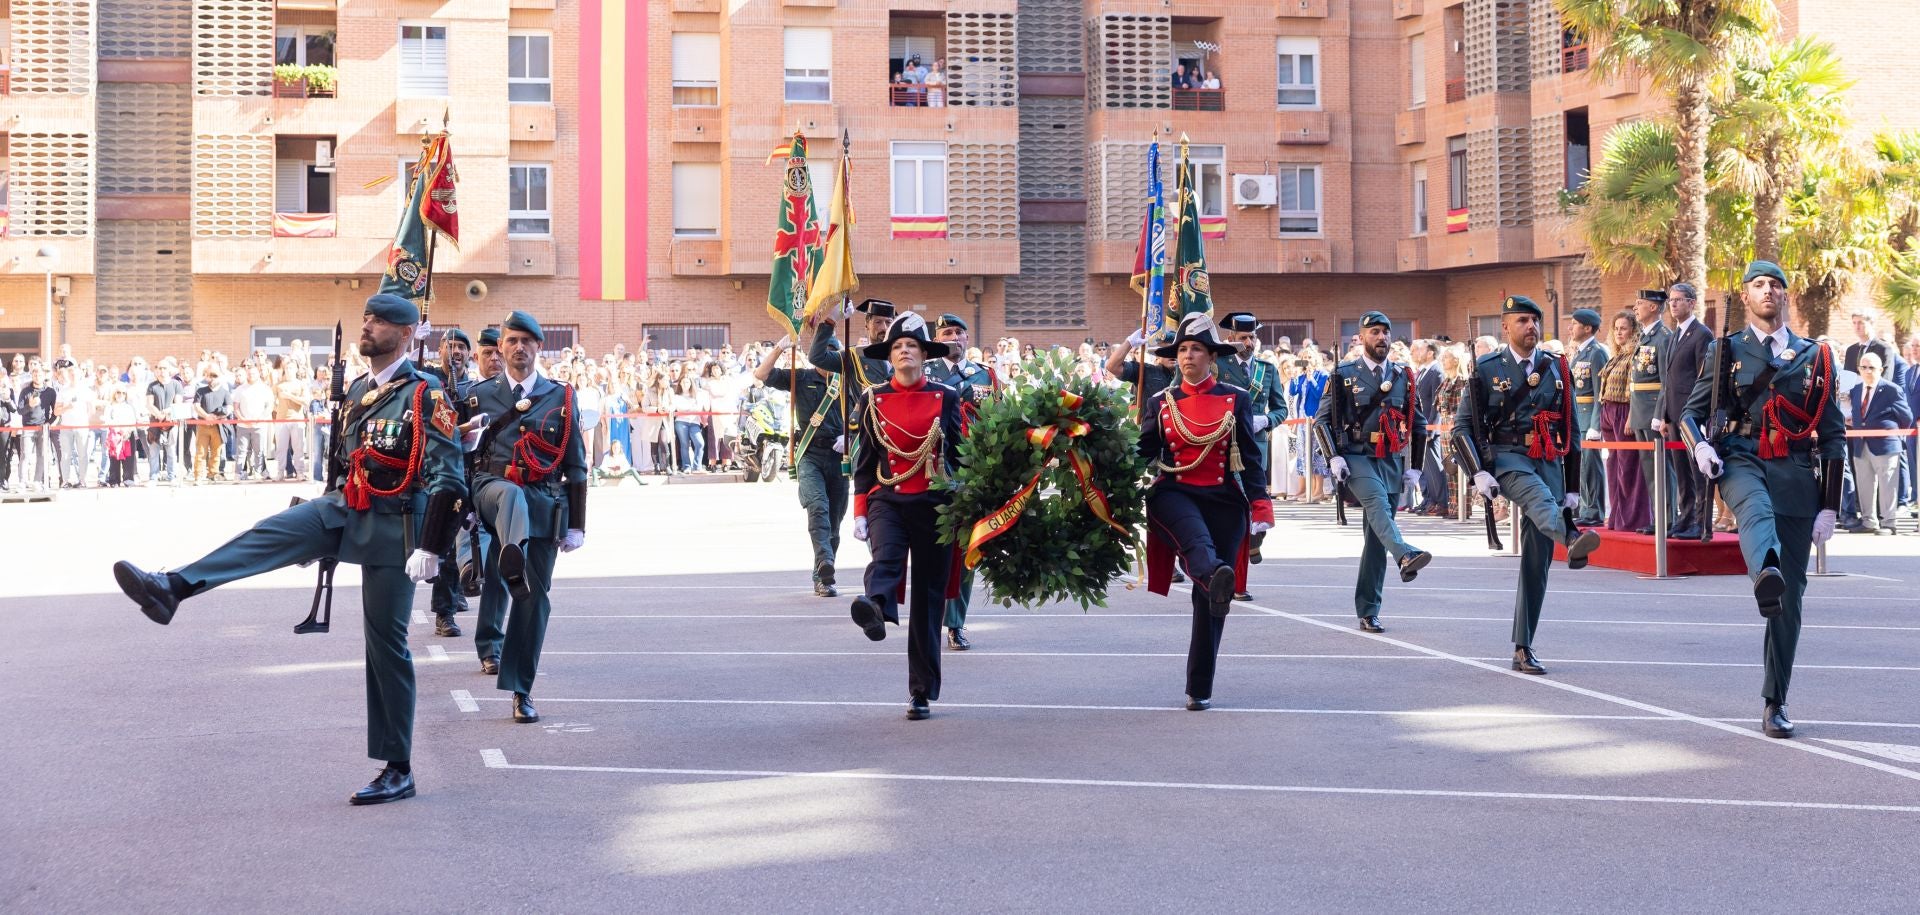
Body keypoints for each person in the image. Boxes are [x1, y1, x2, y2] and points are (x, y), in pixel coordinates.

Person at [111, 292, 467, 805]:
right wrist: (318, 532)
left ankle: (398, 767)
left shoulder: (424, 396)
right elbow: (344, 468)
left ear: (407, 334)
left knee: (385, 645)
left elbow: (449, 478)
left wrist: (432, 546)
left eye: (381, 321)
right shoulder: (360, 392)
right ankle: (173, 587)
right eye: (366, 317)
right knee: (271, 530)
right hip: (345, 509)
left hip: (397, 529)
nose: (368, 326)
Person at [1683, 260, 1845, 739]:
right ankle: (1764, 571)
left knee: (1790, 599)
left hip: (1796, 471)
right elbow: (1692, 414)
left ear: (1786, 296)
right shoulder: (1725, 349)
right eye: (1759, 285)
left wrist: (1830, 504)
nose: (1768, 291)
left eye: (1776, 284)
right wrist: (1703, 447)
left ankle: (1775, 700)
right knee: (1754, 513)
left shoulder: (1815, 356)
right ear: (1746, 295)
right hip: (1741, 457)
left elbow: (1833, 435)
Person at [1451, 295, 1602, 676]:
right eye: (1522, 320)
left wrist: (1571, 485)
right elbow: (1462, 429)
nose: (1530, 327)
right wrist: (1477, 472)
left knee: (1537, 560)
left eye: (1534, 320)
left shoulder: (1557, 367)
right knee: (1536, 500)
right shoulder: (1486, 368)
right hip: (1508, 458)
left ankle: (1523, 646)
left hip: (1548, 458)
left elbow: (1571, 427)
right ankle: (1572, 535)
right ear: (1505, 327)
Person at [1140, 314, 1272, 711]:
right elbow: (1142, 453)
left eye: (1196, 349)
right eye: (1182, 349)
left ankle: (1199, 688)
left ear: (1212, 356)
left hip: (1224, 498)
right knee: (1200, 549)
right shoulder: (1160, 402)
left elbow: (1249, 457)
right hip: (1175, 491)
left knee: (1211, 602)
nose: (1187, 356)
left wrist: (1261, 503)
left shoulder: (1237, 398)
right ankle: (1216, 573)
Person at [467, 311, 589, 723]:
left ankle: (521, 689)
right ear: (500, 348)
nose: (519, 347)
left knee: (534, 601)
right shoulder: (478, 396)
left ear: (539, 348)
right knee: (509, 500)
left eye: (527, 341)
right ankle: (496, 558)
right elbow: (457, 456)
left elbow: (576, 466)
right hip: (493, 493)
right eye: (512, 340)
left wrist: (576, 525)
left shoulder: (562, 397)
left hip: (544, 503)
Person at [846, 313, 963, 721]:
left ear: (924, 355)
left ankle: (921, 693)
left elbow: (960, 455)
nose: (905, 351)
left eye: (912, 345)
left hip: (934, 503)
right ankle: (875, 608)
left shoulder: (946, 396)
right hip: (888, 496)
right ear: (890, 357)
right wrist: (860, 509)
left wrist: (969, 499)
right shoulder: (872, 398)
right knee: (887, 557)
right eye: (898, 346)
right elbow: (863, 460)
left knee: (928, 602)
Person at [1315, 311, 1431, 632]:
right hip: (1357, 456)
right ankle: (1406, 554)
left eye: (1386, 332)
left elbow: (1418, 425)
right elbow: (1321, 421)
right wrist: (1333, 457)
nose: (1382, 338)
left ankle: (1368, 609)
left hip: (1391, 459)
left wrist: (1416, 468)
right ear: (1362, 338)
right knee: (1378, 504)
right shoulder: (1342, 373)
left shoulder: (1403, 375)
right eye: (1375, 332)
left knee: (1377, 537)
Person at [755, 334, 849, 597]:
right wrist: (778, 348)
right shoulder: (802, 377)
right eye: (824, 354)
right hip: (810, 453)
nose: (828, 360)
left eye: (834, 355)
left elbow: (861, 416)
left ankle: (823, 574)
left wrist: (851, 438)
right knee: (817, 506)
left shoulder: (847, 382)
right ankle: (824, 566)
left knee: (834, 520)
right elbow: (762, 374)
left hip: (840, 455)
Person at [927, 313, 998, 649]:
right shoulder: (925, 374)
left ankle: (955, 623)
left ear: (967, 339)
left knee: (966, 548)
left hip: (971, 472)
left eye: (959, 332)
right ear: (936, 339)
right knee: (931, 549)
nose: (954, 337)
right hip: (931, 472)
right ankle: (929, 617)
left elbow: (999, 422)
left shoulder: (986, 375)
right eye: (947, 332)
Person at [1214, 314, 1286, 577]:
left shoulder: (1267, 369)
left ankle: (1254, 544)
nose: (1248, 342)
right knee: (1234, 506)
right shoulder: (1218, 364)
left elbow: (1281, 408)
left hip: (1255, 445)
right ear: (1231, 339)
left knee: (1258, 504)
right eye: (1243, 337)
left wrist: (1266, 419)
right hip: (1225, 443)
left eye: (1252, 337)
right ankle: (1233, 568)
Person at [421, 328, 476, 638]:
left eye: (462, 348)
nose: (456, 352)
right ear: (440, 348)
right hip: (432, 472)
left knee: (458, 542)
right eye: (451, 345)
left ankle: (449, 605)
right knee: (434, 541)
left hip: (463, 471)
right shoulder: (427, 379)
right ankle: (444, 606)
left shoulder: (472, 386)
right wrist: (416, 340)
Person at [1656, 283, 1712, 539]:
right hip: (1674, 413)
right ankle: (1685, 517)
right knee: (1681, 470)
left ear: (1692, 303)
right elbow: (1668, 380)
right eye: (1671, 300)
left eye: (1679, 300)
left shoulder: (1702, 334)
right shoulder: (1674, 335)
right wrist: (1666, 416)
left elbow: (1704, 377)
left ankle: (1699, 522)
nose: (1674, 304)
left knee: (1696, 470)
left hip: (1692, 414)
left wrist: (1697, 411)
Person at [1845, 352, 1911, 535]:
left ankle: (1889, 523)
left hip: (1885, 445)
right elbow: (1859, 413)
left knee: (1888, 484)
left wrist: (1890, 430)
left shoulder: (1891, 390)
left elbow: (1906, 418)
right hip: (1861, 444)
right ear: (1858, 369)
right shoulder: (1856, 389)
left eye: (1871, 367)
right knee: (1865, 484)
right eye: (1863, 367)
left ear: (1881, 370)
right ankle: (1868, 522)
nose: (1867, 371)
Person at [1626, 290, 1672, 535]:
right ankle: (1659, 517)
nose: (1636, 307)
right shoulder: (1645, 336)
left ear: (1654, 307)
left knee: (1661, 469)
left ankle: (1668, 518)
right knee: (1649, 469)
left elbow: (1667, 381)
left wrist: (1660, 413)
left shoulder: (1663, 337)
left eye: (1640, 303)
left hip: (1654, 410)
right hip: (1641, 410)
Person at [1566, 309, 1609, 525]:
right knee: (1582, 468)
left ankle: (1594, 512)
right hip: (1577, 418)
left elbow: (1601, 392)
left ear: (1587, 328)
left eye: (1574, 324)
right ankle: (1585, 509)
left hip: (1588, 417)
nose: (1570, 328)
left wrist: (1596, 424)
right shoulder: (1580, 352)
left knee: (1591, 468)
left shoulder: (1596, 352)